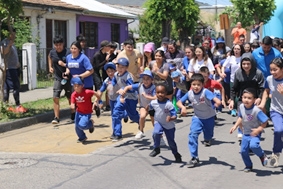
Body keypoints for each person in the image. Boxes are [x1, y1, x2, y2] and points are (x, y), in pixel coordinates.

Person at [177, 73, 221, 168]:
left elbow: (217, 100)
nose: (196, 87)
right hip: (197, 117)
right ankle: (194, 157)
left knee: (208, 134)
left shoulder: (206, 92)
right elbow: (179, 102)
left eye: (198, 84)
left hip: (209, 117)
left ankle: (207, 138)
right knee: (193, 134)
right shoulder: (189, 93)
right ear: (191, 85)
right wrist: (182, 107)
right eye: (194, 84)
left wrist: (217, 104)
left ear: (202, 84)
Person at [229, 88, 268, 172]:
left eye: (249, 98)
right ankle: (248, 166)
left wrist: (259, 129)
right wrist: (235, 126)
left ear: (254, 100)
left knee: (253, 146)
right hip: (246, 133)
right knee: (243, 151)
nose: (246, 100)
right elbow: (240, 117)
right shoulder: (242, 106)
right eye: (244, 97)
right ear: (241, 97)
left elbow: (265, 121)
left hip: (254, 132)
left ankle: (262, 155)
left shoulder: (256, 110)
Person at [229, 53, 265, 140]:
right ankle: (241, 131)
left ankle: (255, 132)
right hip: (242, 98)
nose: (246, 66)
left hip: (254, 98)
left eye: (248, 64)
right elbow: (234, 88)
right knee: (241, 115)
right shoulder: (238, 73)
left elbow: (261, 88)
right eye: (244, 64)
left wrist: (260, 97)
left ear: (252, 63)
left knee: (253, 117)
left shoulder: (258, 73)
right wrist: (232, 100)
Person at [148, 83, 182, 163]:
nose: (160, 94)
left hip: (169, 125)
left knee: (171, 142)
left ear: (166, 93)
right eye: (158, 92)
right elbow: (150, 109)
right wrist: (147, 110)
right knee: (156, 133)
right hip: (158, 122)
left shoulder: (169, 104)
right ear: (155, 93)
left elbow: (175, 116)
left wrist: (170, 118)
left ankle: (176, 154)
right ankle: (156, 148)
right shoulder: (153, 103)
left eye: (162, 92)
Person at [259, 57, 283, 167]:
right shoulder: (269, 79)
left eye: (275, 70)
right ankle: (276, 153)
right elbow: (266, 91)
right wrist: (263, 103)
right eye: (271, 70)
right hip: (276, 110)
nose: (273, 72)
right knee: (278, 130)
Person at [96, 62, 128, 139]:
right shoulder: (106, 81)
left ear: (115, 70)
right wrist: (97, 100)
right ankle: (124, 115)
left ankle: (118, 133)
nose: (110, 73)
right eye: (108, 71)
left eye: (112, 71)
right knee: (114, 116)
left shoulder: (118, 78)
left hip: (119, 98)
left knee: (116, 115)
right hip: (112, 100)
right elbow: (101, 90)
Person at [111, 58, 140, 141]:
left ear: (126, 68)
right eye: (118, 66)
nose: (120, 69)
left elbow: (131, 88)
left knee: (133, 116)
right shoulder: (116, 74)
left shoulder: (128, 76)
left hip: (131, 97)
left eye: (122, 67)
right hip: (121, 97)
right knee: (116, 112)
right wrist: (111, 87)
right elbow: (113, 82)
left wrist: (123, 88)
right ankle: (117, 134)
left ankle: (140, 121)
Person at [123, 70, 156, 139]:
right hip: (143, 105)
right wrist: (124, 91)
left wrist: (147, 96)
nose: (145, 81)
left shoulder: (153, 87)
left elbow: (155, 97)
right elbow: (129, 87)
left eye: (148, 79)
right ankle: (141, 130)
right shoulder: (139, 85)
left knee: (154, 123)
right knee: (142, 116)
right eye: (144, 79)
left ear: (152, 80)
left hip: (152, 106)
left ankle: (159, 136)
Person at [2, 28, 27, 113]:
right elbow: (4, 52)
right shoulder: (5, 42)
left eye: (14, 33)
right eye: (12, 33)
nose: (14, 35)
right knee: (15, 87)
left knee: (7, 88)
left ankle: (6, 106)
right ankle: (17, 105)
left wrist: (18, 64)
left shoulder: (11, 43)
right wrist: (9, 45)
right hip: (9, 69)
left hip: (13, 68)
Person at [48, 35, 72, 124]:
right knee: (55, 96)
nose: (58, 47)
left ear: (63, 44)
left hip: (68, 79)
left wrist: (65, 67)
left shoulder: (68, 53)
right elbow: (49, 57)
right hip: (58, 78)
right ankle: (56, 117)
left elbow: (71, 64)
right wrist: (50, 67)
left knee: (70, 97)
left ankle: (73, 113)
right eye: (56, 45)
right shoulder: (52, 52)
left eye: (60, 45)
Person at [70, 77, 99, 143]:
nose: (76, 88)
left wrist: (96, 101)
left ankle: (90, 124)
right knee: (77, 126)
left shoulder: (87, 92)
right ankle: (82, 137)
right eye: (75, 86)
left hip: (87, 112)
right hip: (79, 112)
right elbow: (72, 103)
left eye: (78, 86)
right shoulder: (73, 94)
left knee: (82, 126)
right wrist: (72, 106)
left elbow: (97, 94)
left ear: (82, 85)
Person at [221, 44, 245, 116]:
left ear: (241, 50)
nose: (236, 51)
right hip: (232, 79)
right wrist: (222, 73)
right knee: (233, 96)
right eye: (235, 49)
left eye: (238, 49)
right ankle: (233, 109)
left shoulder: (243, 57)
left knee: (240, 96)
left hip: (242, 80)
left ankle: (239, 109)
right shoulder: (230, 58)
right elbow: (223, 66)